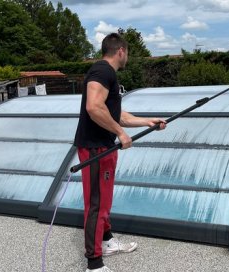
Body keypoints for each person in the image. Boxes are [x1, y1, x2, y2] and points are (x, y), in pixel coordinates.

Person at [74, 33, 166, 272]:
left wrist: (148, 122)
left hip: (104, 147)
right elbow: (93, 107)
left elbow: (117, 116)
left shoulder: (106, 74)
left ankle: (106, 241)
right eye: (128, 53)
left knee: (104, 200)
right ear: (121, 51)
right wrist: (121, 134)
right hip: (95, 148)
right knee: (95, 204)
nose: (128, 57)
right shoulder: (103, 71)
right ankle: (94, 264)